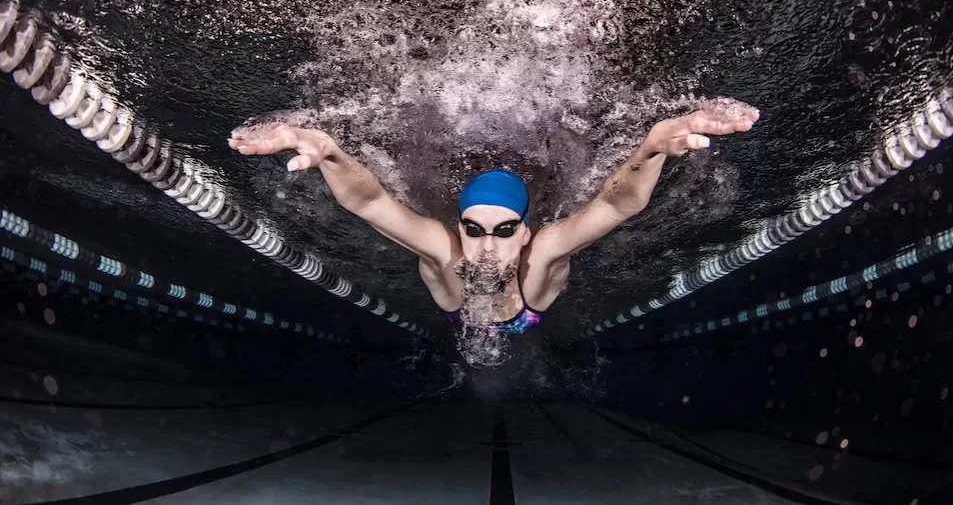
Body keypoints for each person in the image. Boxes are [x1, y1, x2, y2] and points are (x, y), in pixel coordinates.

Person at [228, 106, 758, 334]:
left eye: (505, 229)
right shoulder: (443, 250)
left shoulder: (542, 257)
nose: (486, 246)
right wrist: (332, 154)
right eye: (474, 228)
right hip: (460, 317)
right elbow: (371, 203)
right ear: (458, 226)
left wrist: (651, 148)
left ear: (525, 230)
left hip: (528, 318)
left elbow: (615, 204)